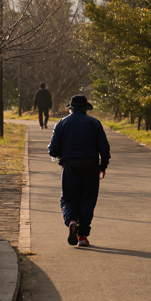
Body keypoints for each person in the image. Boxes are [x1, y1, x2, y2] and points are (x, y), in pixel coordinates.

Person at [48, 94, 110, 247]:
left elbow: (53, 150)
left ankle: (71, 221)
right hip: (91, 166)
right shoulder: (95, 123)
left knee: (68, 199)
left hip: (70, 167)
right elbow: (105, 149)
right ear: (85, 109)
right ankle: (82, 235)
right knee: (88, 199)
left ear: (71, 109)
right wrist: (103, 166)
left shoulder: (62, 123)